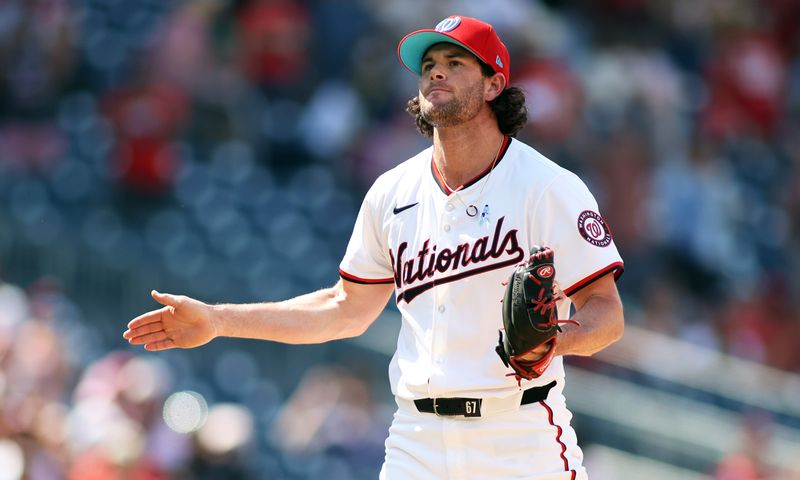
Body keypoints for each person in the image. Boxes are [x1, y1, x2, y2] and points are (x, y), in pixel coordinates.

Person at [124, 15, 625, 479]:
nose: (436, 74)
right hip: (418, 438)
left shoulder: (547, 187)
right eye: (428, 65)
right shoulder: (393, 192)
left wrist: (555, 341)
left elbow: (606, 312)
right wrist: (217, 320)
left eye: (455, 63)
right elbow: (344, 308)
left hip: (518, 436)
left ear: (495, 84)